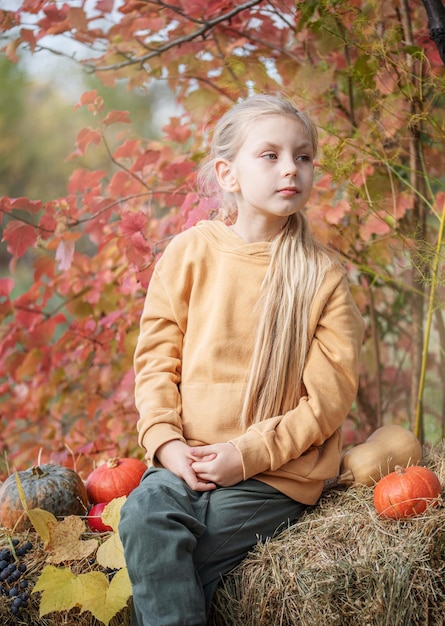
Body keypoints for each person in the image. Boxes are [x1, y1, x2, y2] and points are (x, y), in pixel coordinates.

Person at [119, 93, 365, 626]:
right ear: (228, 174)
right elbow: (157, 362)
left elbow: (327, 402)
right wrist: (166, 444)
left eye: (303, 157)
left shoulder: (320, 276)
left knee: (174, 560)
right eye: (270, 155)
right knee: (142, 515)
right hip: (189, 462)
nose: (291, 169)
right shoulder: (188, 253)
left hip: (274, 475)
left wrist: (245, 455)